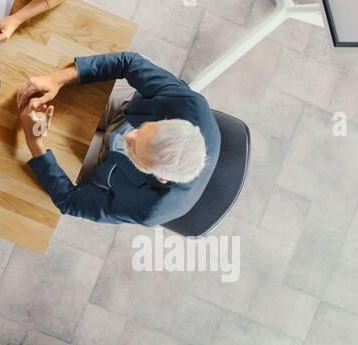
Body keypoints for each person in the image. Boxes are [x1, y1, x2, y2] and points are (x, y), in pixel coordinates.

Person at [16, 51, 219, 226]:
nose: (128, 136)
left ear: (160, 177)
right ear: (168, 121)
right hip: (126, 110)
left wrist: (34, 142)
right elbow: (128, 62)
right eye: (142, 130)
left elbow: (71, 202)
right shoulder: (190, 105)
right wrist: (57, 79)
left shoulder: (148, 209)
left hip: (104, 163)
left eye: (134, 149)